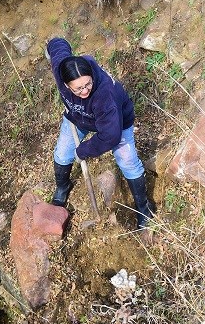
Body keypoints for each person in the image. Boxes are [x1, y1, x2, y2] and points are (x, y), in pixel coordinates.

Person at [45, 37, 156, 233]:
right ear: (66, 83)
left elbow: (110, 136)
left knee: (128, 162)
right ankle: (63, 187)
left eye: (88, 84)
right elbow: (58, 45)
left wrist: (84, 150)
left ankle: (144, 208)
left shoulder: (105, 94)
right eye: (78, 88)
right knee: (62, 154)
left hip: (117, 123)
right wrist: (50, 46)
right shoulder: (60, 68)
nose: (85, 90)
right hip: (77, 118)